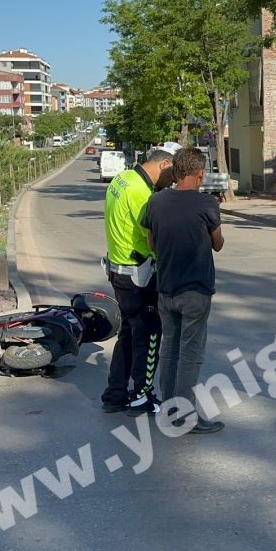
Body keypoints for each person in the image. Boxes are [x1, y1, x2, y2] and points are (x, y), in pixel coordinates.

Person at [142, 147, 225, 434]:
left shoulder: (155, 202)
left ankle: (169, 409)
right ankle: (185, 415)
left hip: (166, 289)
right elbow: (218, 243)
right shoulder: (206, 205)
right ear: (200, 173)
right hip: (196, 291)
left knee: (169, 350)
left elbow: (152, 243)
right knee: (190, 353)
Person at [101, 144, 179, 414]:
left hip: (119, 269)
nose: (174, 181)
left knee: (129, 334)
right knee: (149, 336)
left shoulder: (123, 179)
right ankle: (141, 396)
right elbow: (153, 235)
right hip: (139, 276)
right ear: (164, 164)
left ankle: (115, 394)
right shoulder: (141, 193)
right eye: (174, 174)